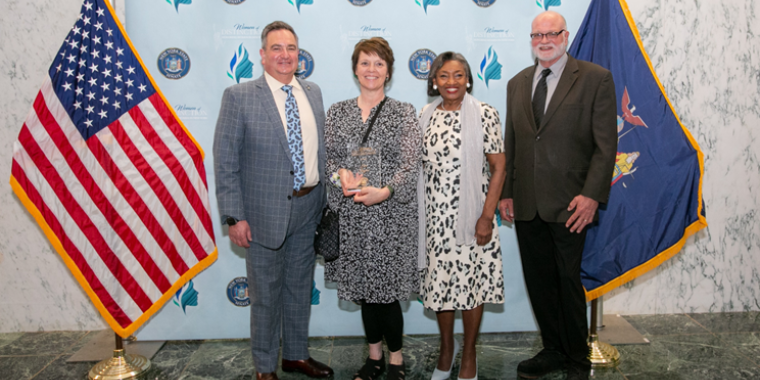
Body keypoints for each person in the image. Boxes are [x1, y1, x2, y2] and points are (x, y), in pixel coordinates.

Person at [498, 11, 617, 380]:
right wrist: (506, 193)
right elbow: (513, 142)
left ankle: (577, 360)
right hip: (527, 201)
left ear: (565, 36)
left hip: (572, 204)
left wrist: (591, 195)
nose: (544, 40)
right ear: (530, 40)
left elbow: (605, 145)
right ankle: (552, 350)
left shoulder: (596, 79)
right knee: (540, 282)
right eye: (537, 35)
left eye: (552, 33)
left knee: (567, 283)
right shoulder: (517, 83)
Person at [213, 21, 333, 380]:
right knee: (265, 296)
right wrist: (234, 216)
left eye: (291, 48)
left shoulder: (313, 92)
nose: (285, 55)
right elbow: (225, 160)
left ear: (300, 55)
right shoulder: (239, 96)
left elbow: (319, 152)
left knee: (298, 289)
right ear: (263, 56)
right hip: (262, 214)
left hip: (309, 207)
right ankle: (265, 369)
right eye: (276, 48)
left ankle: (295, 355)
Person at [324, 37, 421, 380]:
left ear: (389, 71)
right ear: (355, 68)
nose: (371, 69)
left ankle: (396, 360)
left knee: (387, 292)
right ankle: (374, 358)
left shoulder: (403, 112)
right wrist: (341, 177)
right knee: (366, 292)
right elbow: (329, 160)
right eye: (365, 62)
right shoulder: (337, 112)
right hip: (352, 218)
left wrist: (386, 191)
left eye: (379, 63)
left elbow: (411, 163)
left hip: (391, 217)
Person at [418, 52, 506, 380]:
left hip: (473, 217)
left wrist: (486, 216)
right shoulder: (425, 115)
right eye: (443, 76)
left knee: (471, 285)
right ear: (434, 81)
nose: (451, 82)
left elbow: (498, 168)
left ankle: (468, 354)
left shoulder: (484, 113)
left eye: (458, 75)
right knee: (441, 287)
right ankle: (446, 350)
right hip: (435, 220)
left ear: (468, 78)